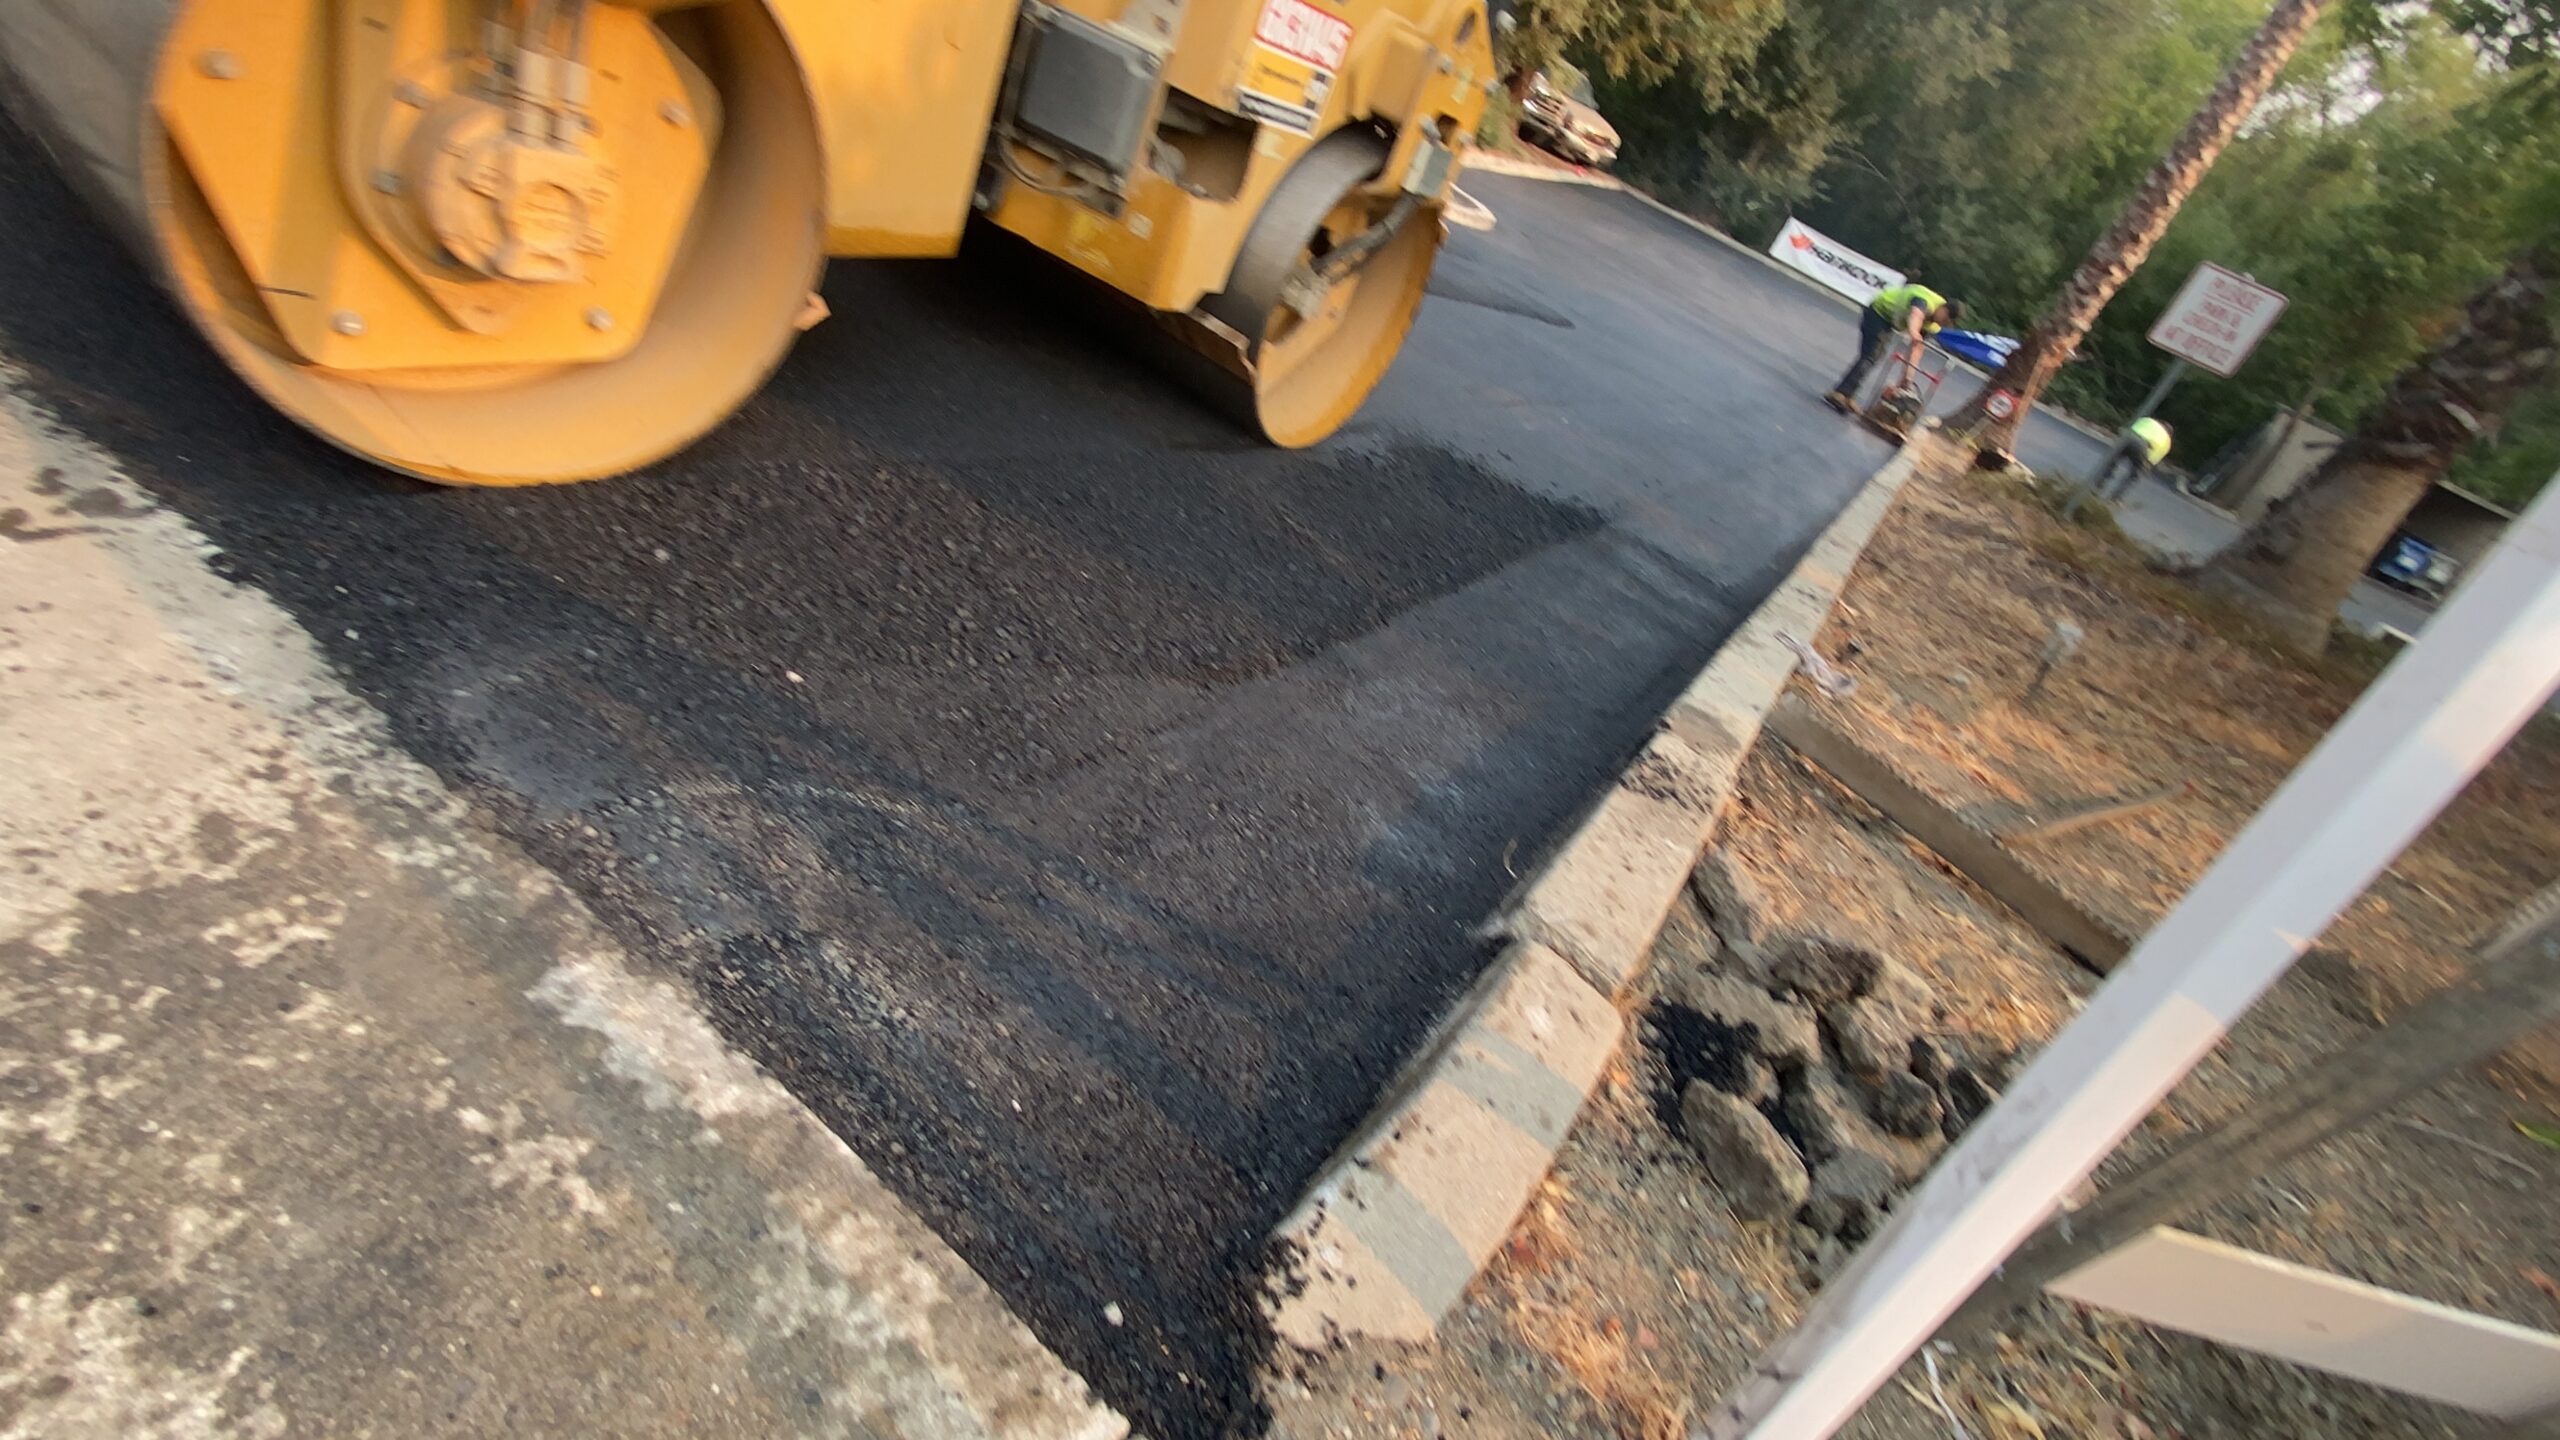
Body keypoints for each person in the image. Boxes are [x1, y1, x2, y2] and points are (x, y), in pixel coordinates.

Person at [1826, 283, 1962, 414]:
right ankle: (1841, 393)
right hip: (1878, 312)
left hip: (1889, 321)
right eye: (1944, 320)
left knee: (1875, 355)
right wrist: (1914, 332)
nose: (1941, 323)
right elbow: (1916, 314)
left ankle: (1847, 394)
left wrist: (1907, 377)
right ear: (1944, 309)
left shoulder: (1934, 324)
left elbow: (1916, 348)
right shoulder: (1924, 300)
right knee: (1871, 355)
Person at [2093, 416, 2173, 500]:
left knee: (2112, 461)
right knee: (2135, 474)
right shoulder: (2167, 441)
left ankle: (2098, 486)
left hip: (2129, 436)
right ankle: (2116, 497)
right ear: (2169, 434)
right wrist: (2146, 466)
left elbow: (2129, 426)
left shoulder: (2147, 420)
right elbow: (2153, 458)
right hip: (2143, 446)